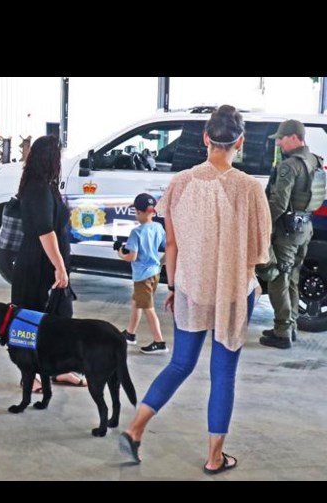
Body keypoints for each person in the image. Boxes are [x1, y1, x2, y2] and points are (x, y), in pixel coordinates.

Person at [119, 105, 272, 474]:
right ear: (241, 141)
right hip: (235, 291)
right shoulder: (250, 188)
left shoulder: (181, 183)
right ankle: (215, 457)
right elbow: (258, 251)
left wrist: (174, 285)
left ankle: (136, 428)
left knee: (180, 363)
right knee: (223, 373)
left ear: (205, 139)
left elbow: (170, 245)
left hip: (191, 286)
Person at [7, 134, 84, 391]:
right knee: (31, 319)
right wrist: (59, 267)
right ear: (50, 159)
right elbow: (44, 231)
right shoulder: (37, 188)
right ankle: (31, 374)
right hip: (37, 266)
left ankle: (59, 369)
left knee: (61, 317)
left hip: (50, 263)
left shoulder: (45, 185)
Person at [260, 119, 325, 349]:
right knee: (293, 277)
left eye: (281, 138)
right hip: (304, 228)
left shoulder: (289, 166)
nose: (279, 142)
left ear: (295, 137)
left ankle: (282, 332)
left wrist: (262, 223)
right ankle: (291, 326)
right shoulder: (314, 160)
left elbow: (278, 203)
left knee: (278, 277)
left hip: (287, 231)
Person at [117, 193, 168, 354]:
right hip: (154, 274)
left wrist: (120, 253)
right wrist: (160, 263)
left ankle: (159, 342)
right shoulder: (159, 228)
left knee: (148, 307)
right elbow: (169, 248)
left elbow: (132, 256)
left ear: (138, 212)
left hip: (142, 277)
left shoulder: (136, 233)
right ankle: (130, 334)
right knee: (136, 302)